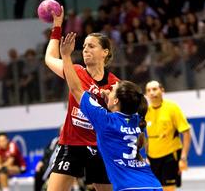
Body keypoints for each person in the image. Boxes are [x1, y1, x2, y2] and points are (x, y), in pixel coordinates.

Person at [59, 32, 163, 191]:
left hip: (129, 188)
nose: (109, 89)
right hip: (152, 183)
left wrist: (66, 56)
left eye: (113, 90)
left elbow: (76, 89)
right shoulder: (136, 120)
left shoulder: (104, 121)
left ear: (116, 101)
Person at [45, 7, 119, 191]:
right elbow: (49, 58)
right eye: (84, 46)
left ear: (105, 52)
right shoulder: (75, 71)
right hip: (72, 145)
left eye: (91, 46)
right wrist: (57, 26)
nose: (85, 49)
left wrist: (111, 101)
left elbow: (119, 118)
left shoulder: (115, 84)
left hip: (100, 147)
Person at [144, 81, 191, 191]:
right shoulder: (146, 112)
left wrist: (183, 157)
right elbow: (145, 136)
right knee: (154, 188)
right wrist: (146, 156)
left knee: (168, 188)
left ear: (162, 90)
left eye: (155, 89)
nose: (152, 93)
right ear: (146, 94)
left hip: (170, 156)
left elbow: (186, 132)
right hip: (152, 158)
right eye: (149, 90)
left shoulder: (172, 108)